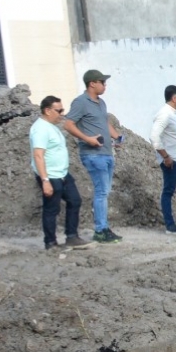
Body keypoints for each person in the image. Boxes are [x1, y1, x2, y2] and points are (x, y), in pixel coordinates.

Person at [62, 68, 123, 244]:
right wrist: (87, 139)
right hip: (93, 154)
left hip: (106, 153)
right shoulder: (80, 102)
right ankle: (100, 230)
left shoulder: (101, 103)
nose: (105, 85)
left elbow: (104, 122)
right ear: (92, 84)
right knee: (101, 191)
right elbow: (68, 124)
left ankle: (104, 228)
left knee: (104, 191)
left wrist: (117, 136)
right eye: (102, 82)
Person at [30, 96, 90, 250]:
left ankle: (71, 236)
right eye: (59, 110)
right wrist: (45, 180)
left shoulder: (52, 126)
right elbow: (38, 155)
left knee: (75, 200)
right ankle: (50, 243)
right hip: (50, 176)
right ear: (47, 110)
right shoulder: (40, 129)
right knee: (52, 209)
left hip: (63, 174)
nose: (62, 114)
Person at [150, 84, 176, 234]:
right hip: (171, 160)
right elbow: (154, 137)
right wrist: (165, 156)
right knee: (168, 192)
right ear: (174, 98)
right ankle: (170, 225)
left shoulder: (175, 113)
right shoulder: (165, 114)